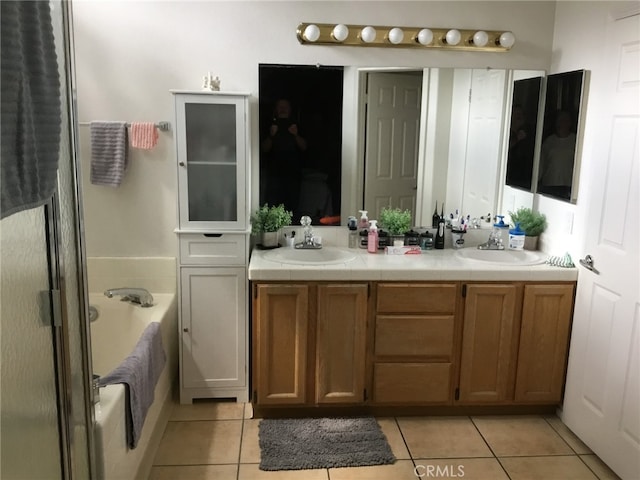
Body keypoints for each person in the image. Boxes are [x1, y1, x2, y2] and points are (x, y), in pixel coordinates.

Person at [261, 99, 307, 217]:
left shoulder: (296, 124)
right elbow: (264, 148)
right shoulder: (270, 124)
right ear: (276, 110)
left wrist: (296, 135)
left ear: (290, 110)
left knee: (292, 205)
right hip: (274, 172)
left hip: (293, 172)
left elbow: (304, 147)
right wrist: (271, 136)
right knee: (272, 204)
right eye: (280, 107)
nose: (283, 109)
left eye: (285, 107)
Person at [538, 110, 576, 199]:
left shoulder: (575, 141)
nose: (562, 123)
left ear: (570, 123)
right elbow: (541, 163)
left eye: (565, 120)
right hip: (549, 184)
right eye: (560, 120)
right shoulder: (549, 141)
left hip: (568, 185)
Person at [506, 104, 535, 190]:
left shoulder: (529, 132)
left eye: (521, 114)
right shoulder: (506, 131)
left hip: (525, 177)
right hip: (509, 176)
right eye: (516, 114)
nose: (519, 116)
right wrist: (517, 138)